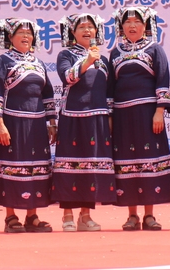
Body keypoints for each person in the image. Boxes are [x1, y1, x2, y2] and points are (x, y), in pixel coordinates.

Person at [0, 18, 57, 233]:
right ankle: (10, 217)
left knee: (35, 168)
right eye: (21, 33)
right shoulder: (3, 61)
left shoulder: (38, 63)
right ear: (10, 37)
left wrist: (52, 122)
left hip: (36, 124)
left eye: (29, 33)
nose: (26, 37)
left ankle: (32, 216)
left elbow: (47, 94)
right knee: (12, 167)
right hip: (13, 122)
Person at [109, 6, 170, 231]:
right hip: (123, 115)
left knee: (149, 161)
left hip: (148, 114)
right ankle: (132, 215)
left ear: (145, 26)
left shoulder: (155, 49)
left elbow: (163, 80)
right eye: (128, 22)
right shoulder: (116, 52)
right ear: (121, 26)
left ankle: (149, 215)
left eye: (137, 22)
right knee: (128, 162)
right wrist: (110, 116)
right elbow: (110, 87)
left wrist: (159, 111)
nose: (132, 26)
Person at [53, 13, 116, 232]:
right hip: (73, 116)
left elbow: (109, 93)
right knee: (69, 166)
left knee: (91, 167)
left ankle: (86, 215)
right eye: (82, 27)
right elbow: (67, 77)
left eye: (91, 27)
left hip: (97, 117)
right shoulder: (66, 54)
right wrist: (88, 61)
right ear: (73, 32)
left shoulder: (104, 60)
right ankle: (67, 215)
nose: (87, 31)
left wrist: (109, 118)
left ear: (97, 32)